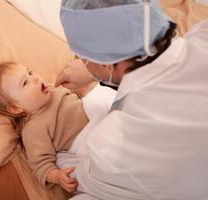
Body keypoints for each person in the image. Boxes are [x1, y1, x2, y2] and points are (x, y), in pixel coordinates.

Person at [54, 0, 208, 199]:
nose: (83, 62)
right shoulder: (203, 35)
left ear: (107, 64)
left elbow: (79, 179)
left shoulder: (117, 142)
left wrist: (54, 159)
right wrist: (94, 72)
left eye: (82, 57)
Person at [0, 62, 116, 193]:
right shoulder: (33, 130)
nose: (35, 78)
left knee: (98, 99)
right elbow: (41, 164)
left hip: (99, 116)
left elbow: (85, 91)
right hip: (86, 140)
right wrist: (56, 176)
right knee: (67, 163)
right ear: (15, 107)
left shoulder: (56, 89)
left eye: (30, 73)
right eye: (25, 83)